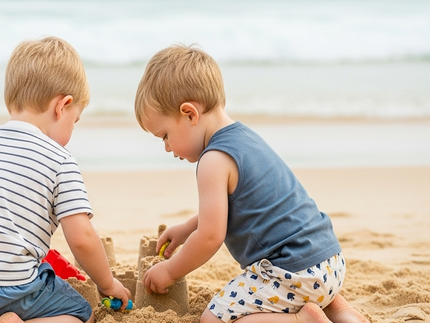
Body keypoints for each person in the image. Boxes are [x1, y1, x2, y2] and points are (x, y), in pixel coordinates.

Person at [135, 44, 369, 323]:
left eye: (164, 135)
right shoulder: (245, 137)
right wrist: (189, 226)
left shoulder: (212, 161)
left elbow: (210, 237)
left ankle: (302, 320)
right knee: (311, 291)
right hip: (328, 262)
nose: (167, 148)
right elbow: (245, 203)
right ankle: (338, 310)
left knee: (214, 320)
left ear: (190, 114)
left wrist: (171, 270)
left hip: (293, 273)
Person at [0, 36, 131, 323]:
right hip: (6, 291)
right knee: (81, 314)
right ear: (62, 106)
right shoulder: (60, 159)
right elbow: (81, 238)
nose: (72, 129)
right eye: (75, 120)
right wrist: (107, 284)